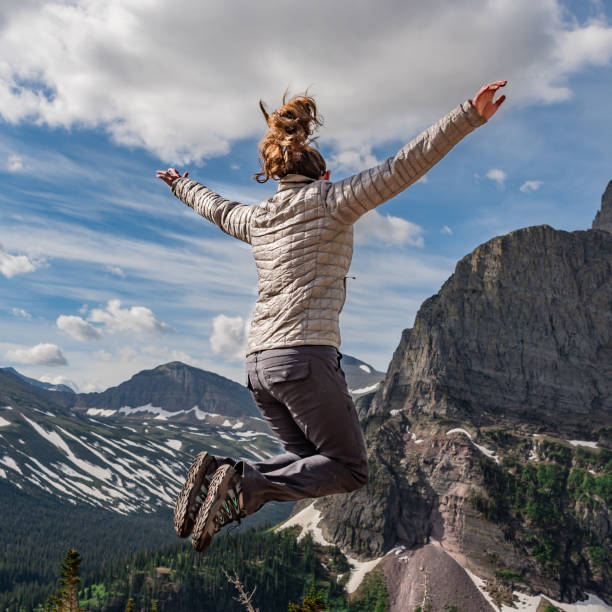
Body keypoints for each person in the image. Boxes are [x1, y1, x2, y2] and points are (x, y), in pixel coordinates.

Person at [157, 80, 507, 552]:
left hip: (259, 365)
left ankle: (227, 474)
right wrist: (467, 115)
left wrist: (181, 184)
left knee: (310, 463)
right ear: (323, 176)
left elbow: (217, 209)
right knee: (349, 469)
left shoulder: (258, 218)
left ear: (279, 177)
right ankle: (244, 486)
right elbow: (405, 164)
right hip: (303, 357)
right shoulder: (333, 201)